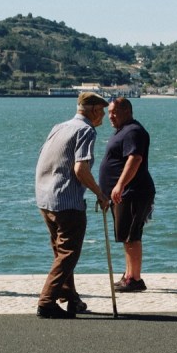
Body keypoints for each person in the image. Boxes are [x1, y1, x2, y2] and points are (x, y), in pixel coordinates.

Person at [34, 91, 111, 319]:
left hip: (45, 198)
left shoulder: (59, 127)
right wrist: (100, 193)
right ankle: (46, 301)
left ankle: (71, 298)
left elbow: (43, 157)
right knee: (68, 253)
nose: (104, 117)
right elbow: (80, 169)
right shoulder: (86, 131)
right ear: (95, 110)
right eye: (102, 112)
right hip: (67, 200)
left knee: (60, 251)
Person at [98, 97, 155, 291]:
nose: (110, 116)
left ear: (127, 111)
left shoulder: (133, 131)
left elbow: (135, 159)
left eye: (114, 112)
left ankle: (135, 279)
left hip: (132, 192)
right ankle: (129, 274)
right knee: (126, 235)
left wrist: (120, 185)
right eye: (109, 113)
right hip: (123, 193)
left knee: (132, 235)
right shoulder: (124, 131)